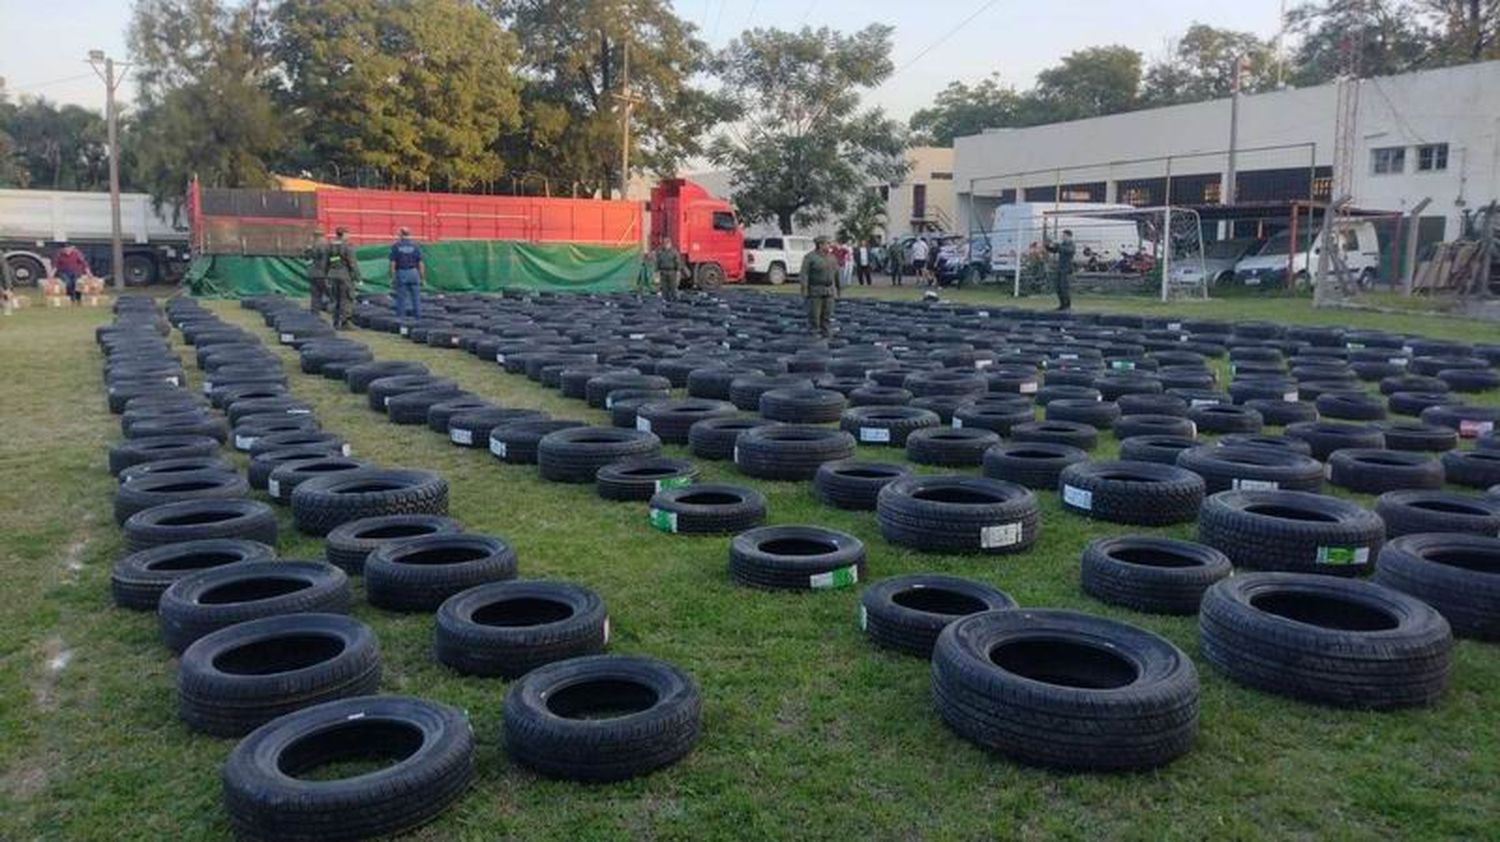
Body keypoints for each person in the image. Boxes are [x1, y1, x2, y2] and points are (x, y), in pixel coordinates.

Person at [320, 226, 361, 329]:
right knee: (346, 298)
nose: (349, 236)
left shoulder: (329, 246)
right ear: (343, 234)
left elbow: (324, 262)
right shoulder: (347, 246)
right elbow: (352, 263)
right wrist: (357, 277)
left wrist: (325, 275)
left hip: (332, 275)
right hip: (344, 276)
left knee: (335, 299)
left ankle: (335, 321)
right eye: (347, 233)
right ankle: (345, 322)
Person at [800, 235, 839, 338]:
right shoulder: (810, 257)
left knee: (827, 315)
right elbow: (804, 274)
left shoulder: (832, 257)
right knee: (815, 316)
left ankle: (827, 334)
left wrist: (838, 289)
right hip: (815, 290)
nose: (829, 246)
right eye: (827, 243)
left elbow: (836, 274)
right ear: (820, 245)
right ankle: (814, 335)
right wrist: (804, 289)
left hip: (829, 290)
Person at [388, 226, 424, 320]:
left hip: (402, 272)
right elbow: (420, 263)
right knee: (416, 298)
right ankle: (418, 318)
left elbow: (393, 263)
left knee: (401, 299)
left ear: (400, 234)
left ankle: (401, 320)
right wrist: (422, 277)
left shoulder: (396, 246)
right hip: (414, 272)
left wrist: (392, 277)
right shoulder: (416, 246)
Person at [1044, 228, 1076, 311]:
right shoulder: (1063, 244)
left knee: (1064, 287)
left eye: (1064, 235)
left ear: (1069, 236)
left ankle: (1067, 306)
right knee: (1058, 287)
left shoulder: (1071, 244)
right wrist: (1047, 246)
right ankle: (1062, 305)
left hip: (1066, 269)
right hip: (1060, 268)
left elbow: (1068, 251)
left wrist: (1058, 245)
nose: (1062, 237)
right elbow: (1055, 250)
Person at [304, 229, 329, 314]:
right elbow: (329, 258)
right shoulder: (326, 244)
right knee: (332, 294)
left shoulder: (311, 245)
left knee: (315, 295)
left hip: (313, 273)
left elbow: (307, 258)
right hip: (323, 273)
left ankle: (314, 314)